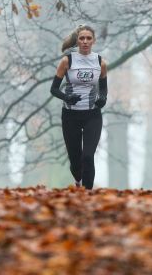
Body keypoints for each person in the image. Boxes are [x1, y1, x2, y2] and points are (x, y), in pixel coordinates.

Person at [50, 25, 108, 189]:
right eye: (82, 38)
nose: (85, 42)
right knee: (76, 161)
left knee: (88, 157)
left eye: (88, 38)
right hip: (70, 115)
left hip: (92, 116)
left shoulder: (100, 62)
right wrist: (66, 97)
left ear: (93, 41)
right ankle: (78, 180)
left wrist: (102, 98)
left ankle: (88, 195)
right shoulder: (67, 61)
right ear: (77, 41)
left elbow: (103, 88)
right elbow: (53, 89)